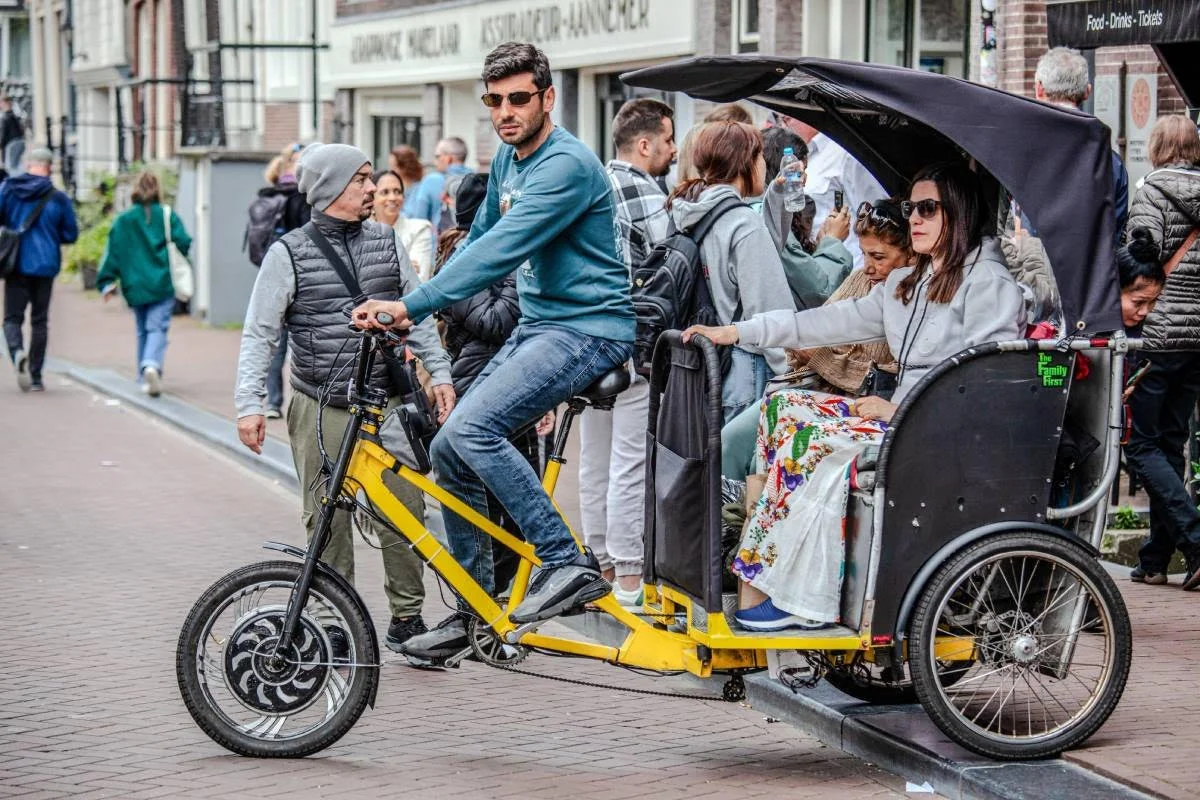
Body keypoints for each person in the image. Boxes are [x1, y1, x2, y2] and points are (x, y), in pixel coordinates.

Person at [352, 42, 635, 662]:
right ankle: (474, 610)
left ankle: (566, 561)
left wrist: (415, 305)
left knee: (476, 431)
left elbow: (502, 249)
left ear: (547, 98)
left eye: (518, 99)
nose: (505, 112)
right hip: (541, 324)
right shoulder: (509, 160)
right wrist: (406, 302)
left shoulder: (566, 166)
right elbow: (474, 242)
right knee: (451, 444)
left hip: (589, 328)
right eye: (494, 101)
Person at [685, 162, 1025, 630]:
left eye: (928, 209)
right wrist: (737, 332)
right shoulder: (912, 284)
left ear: (960, 214)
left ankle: (806, 597)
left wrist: (900, 407)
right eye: (911, 208)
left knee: (813, 443)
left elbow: (985, 381)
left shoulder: (987, 283)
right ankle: (764, 575)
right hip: (907, 418)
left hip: (940, 432)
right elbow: (822, 322)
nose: (915, 219)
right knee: (781, 408)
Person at [235, 142, 456, 653]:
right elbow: (259, 333)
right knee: (326, 517)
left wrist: (439, 373)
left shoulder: (386, 241)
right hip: (321, 405)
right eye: (360, 178)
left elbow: (414, 313)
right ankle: (337, 622)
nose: (371, 187)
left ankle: (408, 618)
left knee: (405, 511)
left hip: (389, 405)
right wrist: (250, 403)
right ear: (332, 187)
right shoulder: (287, 253)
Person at [721, 198, 907, 483]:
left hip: (853, 404)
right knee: (732, 439)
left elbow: (880, 374)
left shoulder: (903, 301)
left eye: (878, 257)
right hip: (809, 385)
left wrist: (821, 357)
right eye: (864, 255)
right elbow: (820, 324)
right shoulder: (861, 279)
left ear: (910, 256)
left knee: (787, 443)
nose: (868, 266)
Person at [434, 172, 553, 595]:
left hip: (514, 383)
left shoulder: (500, 258)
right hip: (477, 385)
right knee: (486, 498)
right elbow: (494, 320)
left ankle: (508, 591)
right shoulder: (463, 260)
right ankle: (485, 596)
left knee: (518, 495)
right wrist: (521, 282)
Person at [579, 98, 676, 606]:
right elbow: (670, 263)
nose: (674, 150)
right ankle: (630, 577)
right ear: (644, 144)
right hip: (631, 342)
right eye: (668, 140)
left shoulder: (591, 184)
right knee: (629, 459)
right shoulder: (644, 191)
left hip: (585, 339)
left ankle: (596, 562)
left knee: (594, 456)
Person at [666, 120, 794, 422]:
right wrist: (794, 375)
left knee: (714, 467)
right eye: (760, 156)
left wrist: (776, 198)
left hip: (705, 367)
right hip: (746, 371)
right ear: (745, 162)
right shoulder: (742, 223)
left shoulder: (690, 211)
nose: (764, 164)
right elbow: (770, 309)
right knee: (742, 468)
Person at [1122, 115, 1200, 589]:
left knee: (1141, 445)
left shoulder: (1151, 190)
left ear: (1156, 147)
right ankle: (1155, 558)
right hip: (1197, 339)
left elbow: (1140, 259)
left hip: (1156, 334)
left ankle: (1194, 541)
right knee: (1171, 445)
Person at [95, 171, 192, 398]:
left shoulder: (123, 220)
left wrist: (106, 281)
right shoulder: (167, 216)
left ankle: (143, 375)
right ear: (157, 189)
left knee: (141, 329)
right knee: (157, 327)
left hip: (134, 285)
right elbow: (185, 243)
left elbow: (113, 253)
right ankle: (151, 364)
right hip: (162, 281)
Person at [1034, 47, 1129, 247]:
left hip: (1032, 273)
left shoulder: (1023, 151)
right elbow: (1114, 234)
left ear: (1039, 89)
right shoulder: (1113, 163)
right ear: (1087, 91)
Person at [1, 147, 78, 392]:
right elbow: (70, 233)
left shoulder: (9, 189)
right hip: (45, 266)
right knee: (40, 321)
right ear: (49, 167)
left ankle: (17, 353)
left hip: (16, 264)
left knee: (12, 318)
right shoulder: (57, 197)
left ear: (27, 164)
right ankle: (35, 376)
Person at [759, 126, 853, 307]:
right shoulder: (771, 220)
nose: (804, 180)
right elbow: (819, 290)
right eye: (798, 172)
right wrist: (832, 241)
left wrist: (819, 247)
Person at [251, 142, 310, 418]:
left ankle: (274, 402)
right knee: (298, 339)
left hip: (272, 272)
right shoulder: (300, 197)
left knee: (275, 340)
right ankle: (300, 400)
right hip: (299, 274)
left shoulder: (268, 195)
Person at [784, 117, 887, 269]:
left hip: (851, 266)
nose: (784, 123)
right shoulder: (796, 157)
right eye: (780, 118)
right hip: (816, 266)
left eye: (788, 117)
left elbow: (875, 213)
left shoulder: (843, 152)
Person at [371, 169, 435, 281]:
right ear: (371, 199)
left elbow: (419, 280)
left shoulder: (419, 230)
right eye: (385, 192)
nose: (393, 198)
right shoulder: (359, 231)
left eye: (397, 192)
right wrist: (402, 266)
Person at [409, 136, 473, 234]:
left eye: (437, 156)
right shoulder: (477, 179)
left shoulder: (432, 180)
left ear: (448, 158)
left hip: (442, 244)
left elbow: (418, 221)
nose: (435, 162)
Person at [389, 145, 425, 218]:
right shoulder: (396, 188)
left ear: (404, 167)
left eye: (394, 166)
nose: (391, 170)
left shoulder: (419, 189)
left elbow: (411, 215)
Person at [0, 96, 24, 173]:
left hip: (11, 144)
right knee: (16, 165)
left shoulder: (5, 117)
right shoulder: (14, 115)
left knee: (11, 167)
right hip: (18, 142)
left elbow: (2, 134)